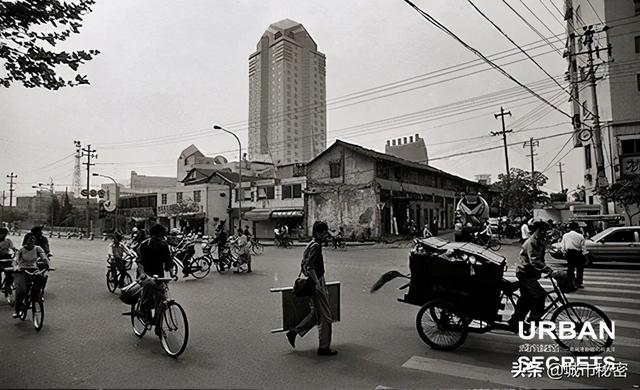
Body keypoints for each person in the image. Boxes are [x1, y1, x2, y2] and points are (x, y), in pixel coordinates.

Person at [286, 221, 337, 356]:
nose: (326, 236)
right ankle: (324, 348)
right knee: (326, 317)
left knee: (316, 315)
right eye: (324, 233)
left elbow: (304, 265)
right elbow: (309, 266)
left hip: (312, 282)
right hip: (316, 282)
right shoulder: (316, 246)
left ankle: (294, 332)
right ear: (317, 234)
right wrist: (317, 283)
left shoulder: (310, 244)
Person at [509, 220, 551, 330]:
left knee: (526, 299)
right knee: (540, 295)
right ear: (539, 230)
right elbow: (534, 260)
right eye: (544, 230)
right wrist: (547, 269)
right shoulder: (532, 241)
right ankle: (533, 320)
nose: (545, 233)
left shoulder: (538, 240)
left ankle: (515, 321)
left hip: (528, 273)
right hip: (525, 273)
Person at [137, 224, 173, 335]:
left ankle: (158, 327)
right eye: (157, 236)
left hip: (159, 275)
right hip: (145, 274)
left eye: (161, 236)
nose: (160, 238)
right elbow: (140, 262)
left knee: (160, 300)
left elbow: (168, 261)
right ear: (152, 236)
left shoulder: (164, 245)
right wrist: (143, 274)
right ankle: (142, 307)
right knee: (148, 284)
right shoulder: (144, 245)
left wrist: (171, 271)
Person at [12, 233, 50, 319]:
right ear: (26, 240)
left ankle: (37, 295)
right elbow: (16, 259)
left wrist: (47, 265)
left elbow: (44, 257)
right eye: (29, 239)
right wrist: (16, 266)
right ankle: (17, 310)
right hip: (22, 270)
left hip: (33, 269)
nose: (31, 241)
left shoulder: (37, 248)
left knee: (41, 278)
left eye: (33, 239)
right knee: (21, 291)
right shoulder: (21, 250)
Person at [561, 222, 587, 289]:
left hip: (569, 253)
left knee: (570, 269)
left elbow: (563, 246)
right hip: (578, 253)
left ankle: (570, 283)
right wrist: (584, 255)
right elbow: (583, 247)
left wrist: (564, 253)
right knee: (580, 269)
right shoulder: (580, 236)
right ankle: (579, 283)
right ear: (576, 228)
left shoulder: (565, 235)